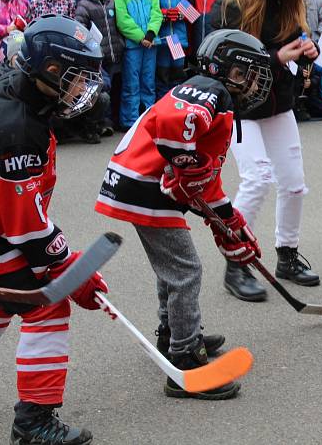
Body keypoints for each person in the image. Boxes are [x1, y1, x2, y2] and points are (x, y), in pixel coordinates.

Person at [95, 29, 273, 400]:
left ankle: (173, 333)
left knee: (172, 268)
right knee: (185, 270)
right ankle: (186, 361)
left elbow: (204, 181)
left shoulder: (214, 94)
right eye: (244, 73)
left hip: (141, 182)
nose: (252, 82)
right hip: (145, 185)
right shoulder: (210, 89)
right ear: (221, 68)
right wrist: (184, 163)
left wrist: (228, 222)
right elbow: (175, 125)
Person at [0, 15, 107, 445]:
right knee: (46, 303)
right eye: (76, 78)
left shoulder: (11, 83)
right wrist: (72, 272)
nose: (84, 89)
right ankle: (34, 421)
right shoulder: (17, 131)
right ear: (49, 69)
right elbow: (26, 229)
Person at [211, 0, 320, 301]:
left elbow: (297, 49)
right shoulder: (231, 5)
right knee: (257, 178)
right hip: (240, 109)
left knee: (294, 184)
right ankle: (235, 262)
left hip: (278, 104)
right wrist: (277, 57)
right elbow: (217, 63)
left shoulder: (291, 0)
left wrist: (307, 53)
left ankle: (286, 256)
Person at [114, 0, 162, 129]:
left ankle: (148, 117)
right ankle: (130, 120)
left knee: (148, 82)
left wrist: (150, 34)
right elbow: (123, 20)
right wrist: (140, 37)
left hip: (150, 44)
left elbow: (156, 14)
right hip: (133, 47)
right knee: (131, 83)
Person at [144, 0, 193, 99]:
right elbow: (147, 6)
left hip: (176, 37)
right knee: (162, 72)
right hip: (160, 36)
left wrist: (180, 13)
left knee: (177, 70)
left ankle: (176, 103)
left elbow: (192, 8)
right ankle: (162, 103)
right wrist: (162, 14)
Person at [76, 0, 125, 126]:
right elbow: (80, 30)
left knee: (117, 86)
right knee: (104, 88)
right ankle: (104, 121)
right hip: (99, 56)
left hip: (115, 53)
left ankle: (115, 119)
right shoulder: (84, 5)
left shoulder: (111, 3)